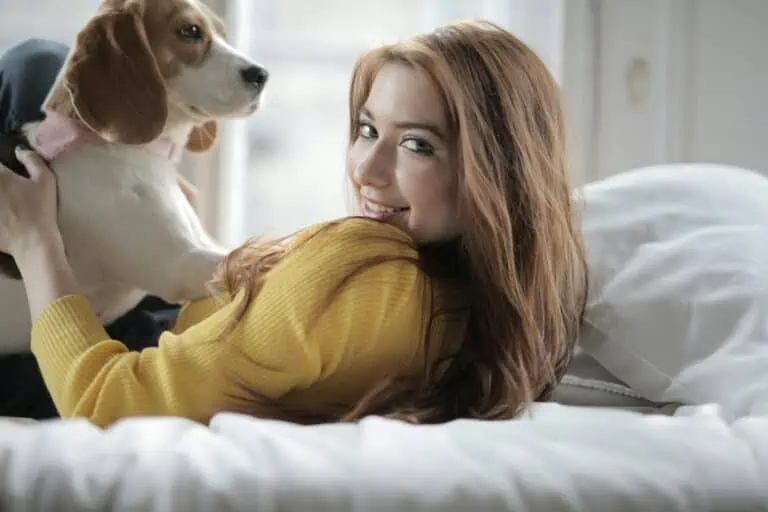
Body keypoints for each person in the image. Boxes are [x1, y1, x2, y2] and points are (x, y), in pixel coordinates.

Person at [0, 20, 588, 428]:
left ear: (496, 170)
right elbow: (277, 327)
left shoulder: (362, 274)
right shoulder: (486, 312)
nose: (366, 170)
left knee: (35, 67)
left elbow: (105, 398)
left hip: (114, 357)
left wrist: (35, 241)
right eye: (366, 129)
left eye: (417, 144)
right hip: (187, 333)